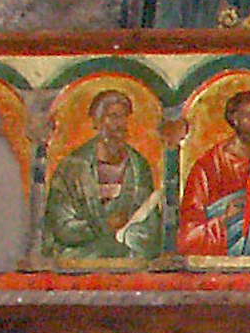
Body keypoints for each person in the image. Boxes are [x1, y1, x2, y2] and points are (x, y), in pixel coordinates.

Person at [38, 87, 167, 261]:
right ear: (97, 122)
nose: (120, 124)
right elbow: (60, 224)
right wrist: (103, 226)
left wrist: (130, 235)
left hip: (128, 260)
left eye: (124, 117)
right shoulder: (73, 168)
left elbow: (150, 225)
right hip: (80, 259)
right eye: (113, 117)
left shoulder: (138, 167)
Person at [176, 91, 250, 259]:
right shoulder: (208, 167)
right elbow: (188, 238)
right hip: (222, 252)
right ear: (235, 119)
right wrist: (226, 217)